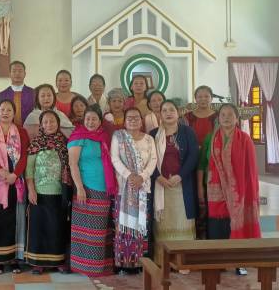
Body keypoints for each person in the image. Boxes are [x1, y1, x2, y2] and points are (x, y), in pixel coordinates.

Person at [201, 104, 261, 275]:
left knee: (237, 222)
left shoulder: (245, 139)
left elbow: (251, 169)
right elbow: (204, 164)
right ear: (218, 118)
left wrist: (249, 192)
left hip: (239, 190)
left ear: (237, 118)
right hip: (216, 189)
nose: (226, 117)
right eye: (223, 114)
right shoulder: (212, 139)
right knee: (217, 224)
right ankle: (218, 261)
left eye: (230, 115)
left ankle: (239, 262)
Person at [0, 100, 30, 274]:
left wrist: (14, 175)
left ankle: (15, 259)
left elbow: (24, 156)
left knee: (15, 221)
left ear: (14, 113)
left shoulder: (22, 132)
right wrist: (2, 172)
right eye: (2, 109)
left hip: (15, 183)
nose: (5, 112)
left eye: (9, 110)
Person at [67, 105, 116, 277]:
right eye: (87, 118)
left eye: (94, 118)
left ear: (100, 120)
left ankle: (102, 266)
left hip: (105, 189)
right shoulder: (78, 136)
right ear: (83, 119)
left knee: (102, 230)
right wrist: (79, 188)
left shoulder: (103, 136)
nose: (90, 122)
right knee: (88, 230)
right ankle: (86, 267)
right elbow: (73, 164)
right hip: (87, 188)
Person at [149, 101, 199, 265]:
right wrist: (158, 176)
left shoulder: (187, 132)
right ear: (160, 114)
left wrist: (180, 176)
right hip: (160, 186)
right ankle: (163, 262)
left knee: (182, 221)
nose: (168, 113)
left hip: (181, 185)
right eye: (164, 110)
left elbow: (193, 157)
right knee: (162, 224)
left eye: (172, 110)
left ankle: (183, 262)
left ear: (178, 113)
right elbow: (148, 159)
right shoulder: (153, 134)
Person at [110, 108, 157, 273]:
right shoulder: (118, 137)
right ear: (124, 121)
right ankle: (122, 264)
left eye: (136, 117)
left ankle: (140, 263)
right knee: (123, 226)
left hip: (143, 189)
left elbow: (153, 161)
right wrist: (130, 176)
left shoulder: (149, 139)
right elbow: (114, 158)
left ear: (141, 120)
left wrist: (142, 177)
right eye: (129, 118)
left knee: (141, 226)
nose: (133, 120)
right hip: (124, 188)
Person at [24, 110, 71, 274]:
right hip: (39, 192)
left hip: (59, 193)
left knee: (57, 228)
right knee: (39, 228)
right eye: (45, 122)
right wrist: (31, 190)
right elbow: (29, 169)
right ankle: (38, 262)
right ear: (41, 125)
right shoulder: (36, 143)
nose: (49, 124)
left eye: (52, 121)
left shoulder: (65, 143)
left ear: (58, 123)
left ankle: (58, 261)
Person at [0, 61, 35, 126]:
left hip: (30, 130)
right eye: (14, 71)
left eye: (20, 71)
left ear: (25, 74)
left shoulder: (33, 93)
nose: (17, 73)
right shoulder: (2, 95)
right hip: (7, 130)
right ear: (9, 74)